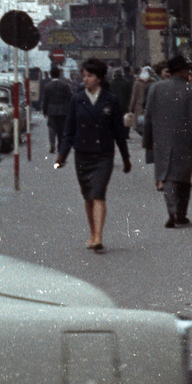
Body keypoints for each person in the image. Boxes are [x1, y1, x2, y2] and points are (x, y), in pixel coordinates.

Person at [56, 57, 132, 252]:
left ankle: (98, 236)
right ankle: (92, 233)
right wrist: (61, 155)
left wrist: (125, 158)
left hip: (103, 155)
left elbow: (118, 132)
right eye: (84, 76)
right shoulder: (77, 99)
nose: (85, 79)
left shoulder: (111, 100)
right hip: (82, 155)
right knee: (88, 196)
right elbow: (69, 131)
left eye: (89, 76)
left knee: (98, 194)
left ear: (99, 78)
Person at [142, 53, 192, 228]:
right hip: (187, 142)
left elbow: (148, 118)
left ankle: (172, 210)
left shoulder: (155, 88)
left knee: (167, 177)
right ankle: (181, 213)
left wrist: (147, 142)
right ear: (183, 71)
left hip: (162, 141)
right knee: (184, 179)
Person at [41, 64, 75, 157]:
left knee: (51, 127)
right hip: (63, 111)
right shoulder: (64, 85)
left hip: (51, 110)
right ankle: (60, 146)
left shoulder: (47, 86)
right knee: (61, 129)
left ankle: (52, 144)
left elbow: (45, 100)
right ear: (59, 74)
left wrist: (44, 111)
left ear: (51, 75)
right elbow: (70, 97)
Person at [127, 64, 156, 135]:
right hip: (150, 105)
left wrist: (131, 108)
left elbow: (134, 96)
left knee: (139, 123)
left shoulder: (137, 82)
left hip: (139, 106)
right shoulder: (153, 82)